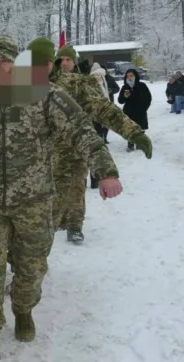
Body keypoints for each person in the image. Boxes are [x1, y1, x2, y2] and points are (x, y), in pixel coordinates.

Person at [0, 35, 123, 362]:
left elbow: (81, 132)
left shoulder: (45, 96)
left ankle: (23, 308)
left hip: (34, 203)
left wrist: (105, 171)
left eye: (5, 63)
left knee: (31, 267)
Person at [32, 42, 150, 244]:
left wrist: (134, 132)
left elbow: (104, 109)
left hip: (74, 151)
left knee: (76, 191)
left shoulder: (76, 83)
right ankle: (39, 247)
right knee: (41, 208)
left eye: (45, 62)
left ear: (53, 62)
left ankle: (74, 226)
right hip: (38, 160)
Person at [117, 69, 151, 151]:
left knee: (139, 128)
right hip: (129, 112)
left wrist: (144, 108)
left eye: (131, 75)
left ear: (135, 76)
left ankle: (140, 144)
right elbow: (120, 101)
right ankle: (130, 145)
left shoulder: (141, 85)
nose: (129, 77)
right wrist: (124, 97)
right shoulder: (125, 87)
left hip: (140, 111)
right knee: (129, 129)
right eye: (128, 76)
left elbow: (148, 98)